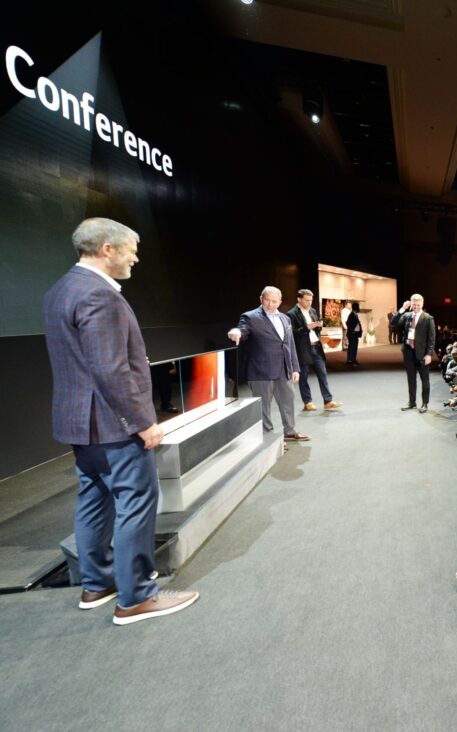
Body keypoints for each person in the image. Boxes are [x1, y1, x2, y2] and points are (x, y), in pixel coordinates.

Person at [43, 217, 199, 624]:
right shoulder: (100, 296)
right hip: (113, 423)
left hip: (81, 423)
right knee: (136, 503)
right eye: (130, 248)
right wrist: (142, 422)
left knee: (94, 499)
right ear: (106, 250)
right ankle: (136, 597)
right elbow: (110, 369)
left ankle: (97, 583)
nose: (136, 256)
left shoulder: (61, 290)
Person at [227, 287, 309, 442]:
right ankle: (269, 439)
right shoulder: (250, 317)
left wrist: (295, 367)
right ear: (260, 299)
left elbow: (289, 344)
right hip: (260, 371)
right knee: (263, 408)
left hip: (284, 370)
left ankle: (290, 432)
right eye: (267, 300)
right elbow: (242, 329)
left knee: (288, 402)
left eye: (274, 301)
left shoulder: (285, 319)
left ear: (280, 301)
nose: (270, 304)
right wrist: (237, 332)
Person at [286, 289, 342, 412]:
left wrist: (318, 327)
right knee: (304, 376)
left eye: (311, 300)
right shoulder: (291, 314)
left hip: (316, 346)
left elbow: (315, 331)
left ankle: (328, 401)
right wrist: (307, 327)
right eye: (307, 300)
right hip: (303, 349)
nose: (309, 303)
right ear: (299, 299)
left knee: (323, 374)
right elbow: (292, 334)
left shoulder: (313, 311)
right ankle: (308, 402)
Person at [390, 294, 435, 413]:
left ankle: (425, 403)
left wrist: (429, 354)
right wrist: (402, 309)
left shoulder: (428, 318)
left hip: (422, 354)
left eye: (418, 305)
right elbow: (393, 322)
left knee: (425, 379)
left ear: (422, 304)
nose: (415, 307)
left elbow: (431, 339)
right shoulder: (407, 315)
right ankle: (412, 402)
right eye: (414, 305)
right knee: (411, 379)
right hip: (408, 352)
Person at [345, 302, 362, 367]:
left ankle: (353, 359)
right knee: (351, 347)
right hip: (352, 334)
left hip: (355, 334)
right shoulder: (351, 314)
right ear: (355, 307)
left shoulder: (355, 314)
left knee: (355, 347)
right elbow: (348, 323)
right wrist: (352, 331)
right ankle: (349, 360)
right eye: (358, 307)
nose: (359, 308)